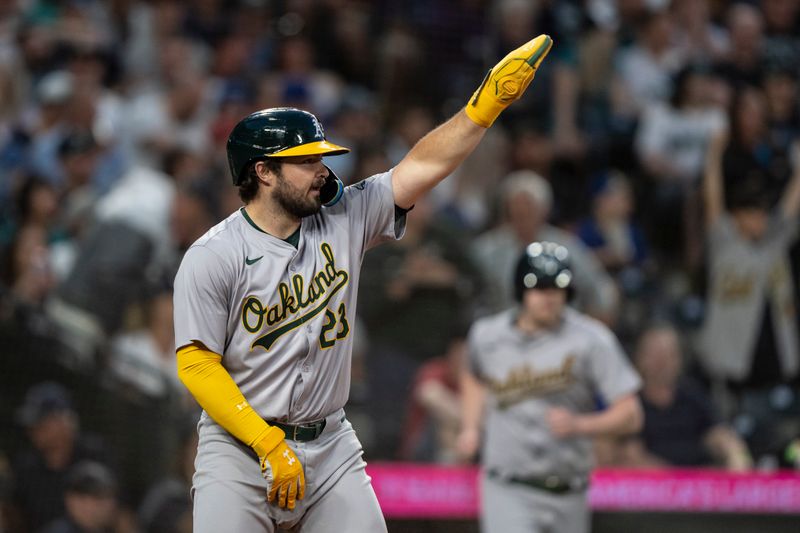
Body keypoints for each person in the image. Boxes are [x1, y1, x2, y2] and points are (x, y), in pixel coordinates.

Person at [172, 35, 554, 532]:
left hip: (329, 444)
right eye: (306, 161)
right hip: (239, 448)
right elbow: (197, 363)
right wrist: (265, 443)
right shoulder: (213, 254)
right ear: (262, 172)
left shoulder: (344, 216)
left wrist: (480, 111)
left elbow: (419, 168)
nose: (322, 170)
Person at [457, 242, 643, 533]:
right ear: (521, 291)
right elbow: (472, 375)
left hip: (570, 491)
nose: (549, 297)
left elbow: (631, 414)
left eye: (557, 289)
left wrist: (581, 424)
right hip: (508, 487)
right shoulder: (487, 336)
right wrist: (470, 426)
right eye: (540, 289)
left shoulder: (591, 339)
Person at [621, 324, 752, 470]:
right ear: (639, 358)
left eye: (669, 354)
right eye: (655, 354)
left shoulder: (693, 395)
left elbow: (719, 434)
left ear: (680, 360)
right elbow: (631, 455)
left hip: (702, 479)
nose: (662, 363)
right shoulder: (628, 403)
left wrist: (737, 455)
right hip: (651, 484)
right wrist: (679, 481)